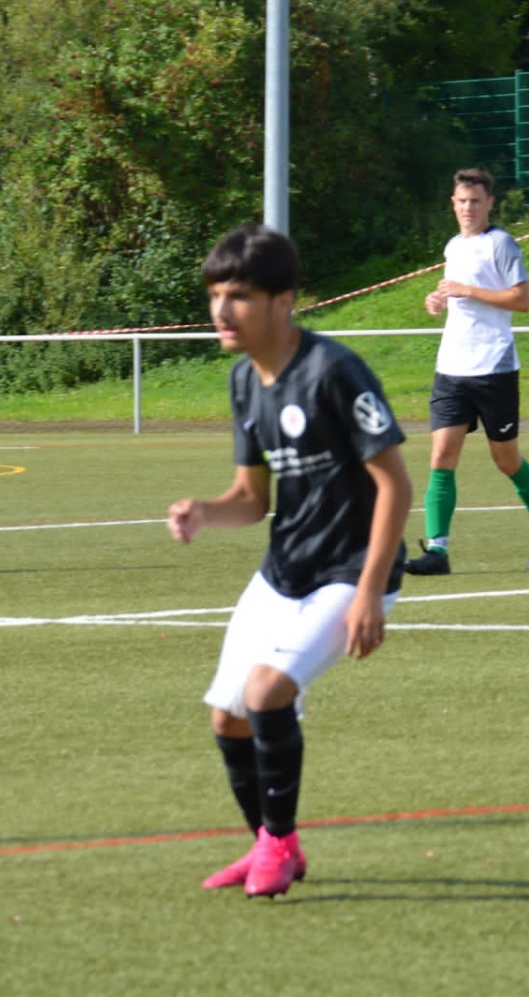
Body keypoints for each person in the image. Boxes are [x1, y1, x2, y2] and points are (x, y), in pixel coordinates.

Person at [169, 226, 412, 899]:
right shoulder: (244, 382)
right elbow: (252, 500)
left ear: (284, 301)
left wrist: (370, 592)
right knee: (227, 716)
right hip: (286, 570)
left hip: (351, 572)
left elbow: (395, 485)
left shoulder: (334, 371)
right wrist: (204, 511)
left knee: (266, 692)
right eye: (215, 295)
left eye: (240, 296)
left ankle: (277, 844)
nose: (222, 310)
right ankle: (271, 844)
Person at [408, 168, 529, 575]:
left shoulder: (501, 244)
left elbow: (522, 300)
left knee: (506, 460)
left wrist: (467, 290)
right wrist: (437, 300)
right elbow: (455, 295)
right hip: (451, 367)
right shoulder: (453, 246)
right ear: (453, 203)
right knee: (441, 456)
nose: (468, 208)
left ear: (489, 203)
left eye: (475, 201)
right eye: (462, 201)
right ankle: (437, 552)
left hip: (494, 367)